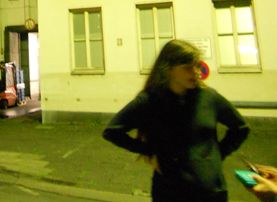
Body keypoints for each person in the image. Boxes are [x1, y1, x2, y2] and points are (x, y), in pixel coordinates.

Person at [102, 39, 250, 202]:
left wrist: (216, 155)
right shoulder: (150, 101)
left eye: (197, 66)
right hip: (170, 193)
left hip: (211, 193)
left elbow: (240, 128)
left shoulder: (209, 97)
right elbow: (112, 132)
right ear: (169, 69)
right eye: (188, 67)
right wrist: (150, 152)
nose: (196, 72)